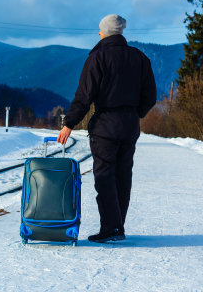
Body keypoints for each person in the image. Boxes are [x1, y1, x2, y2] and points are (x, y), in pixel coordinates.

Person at [57, 14, 156, 243]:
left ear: (104, 32)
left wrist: (69, 124)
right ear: (120, 32)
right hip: (130, 126)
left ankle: (111, 228)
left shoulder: (97, 57)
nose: (98, 33)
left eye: (100, 30)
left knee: (104, 176)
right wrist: (134, 113)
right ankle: (117, 226)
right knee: (123, 176)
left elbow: (84, 96)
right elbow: (150, 96)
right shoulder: (139, 58)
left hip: (105, 126)